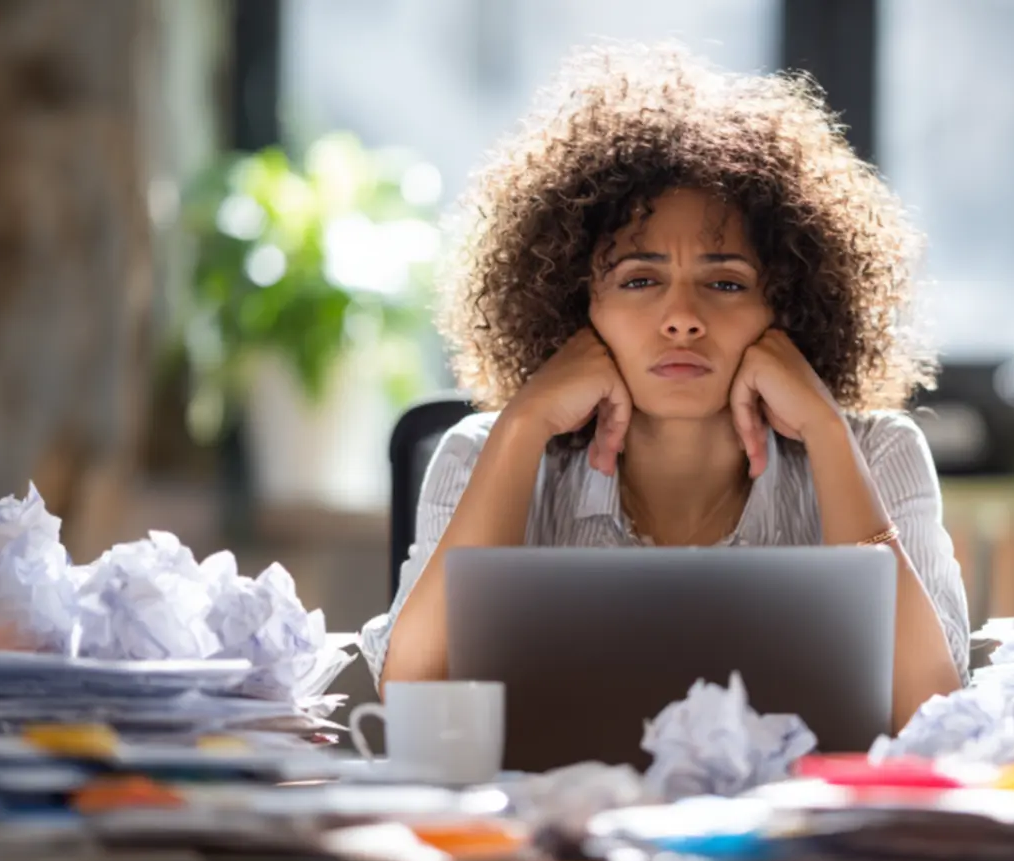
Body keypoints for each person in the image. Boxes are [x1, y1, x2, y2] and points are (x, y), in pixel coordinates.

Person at [361, 43, 968, 731]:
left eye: (727, 283)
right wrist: (523, 423)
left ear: (787, 306)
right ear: (575, 304)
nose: (682, 318)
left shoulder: (879, 453)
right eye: (639, 280)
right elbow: (416, 704)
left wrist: (828, 435)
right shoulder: (483, 452)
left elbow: (933, 716)